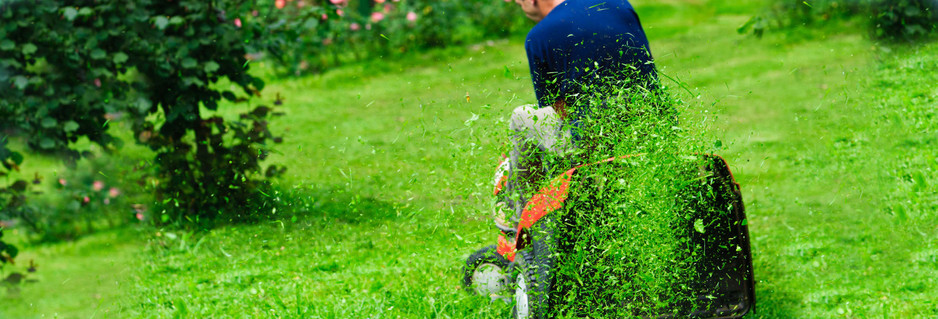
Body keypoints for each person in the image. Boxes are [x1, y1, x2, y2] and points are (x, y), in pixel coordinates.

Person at [494, 0, 657, 230]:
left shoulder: (539, 36)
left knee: (522, 116)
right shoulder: (619, 4)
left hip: (595, 144)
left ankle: (516, 217)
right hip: (652, 127)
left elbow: (559, 111)